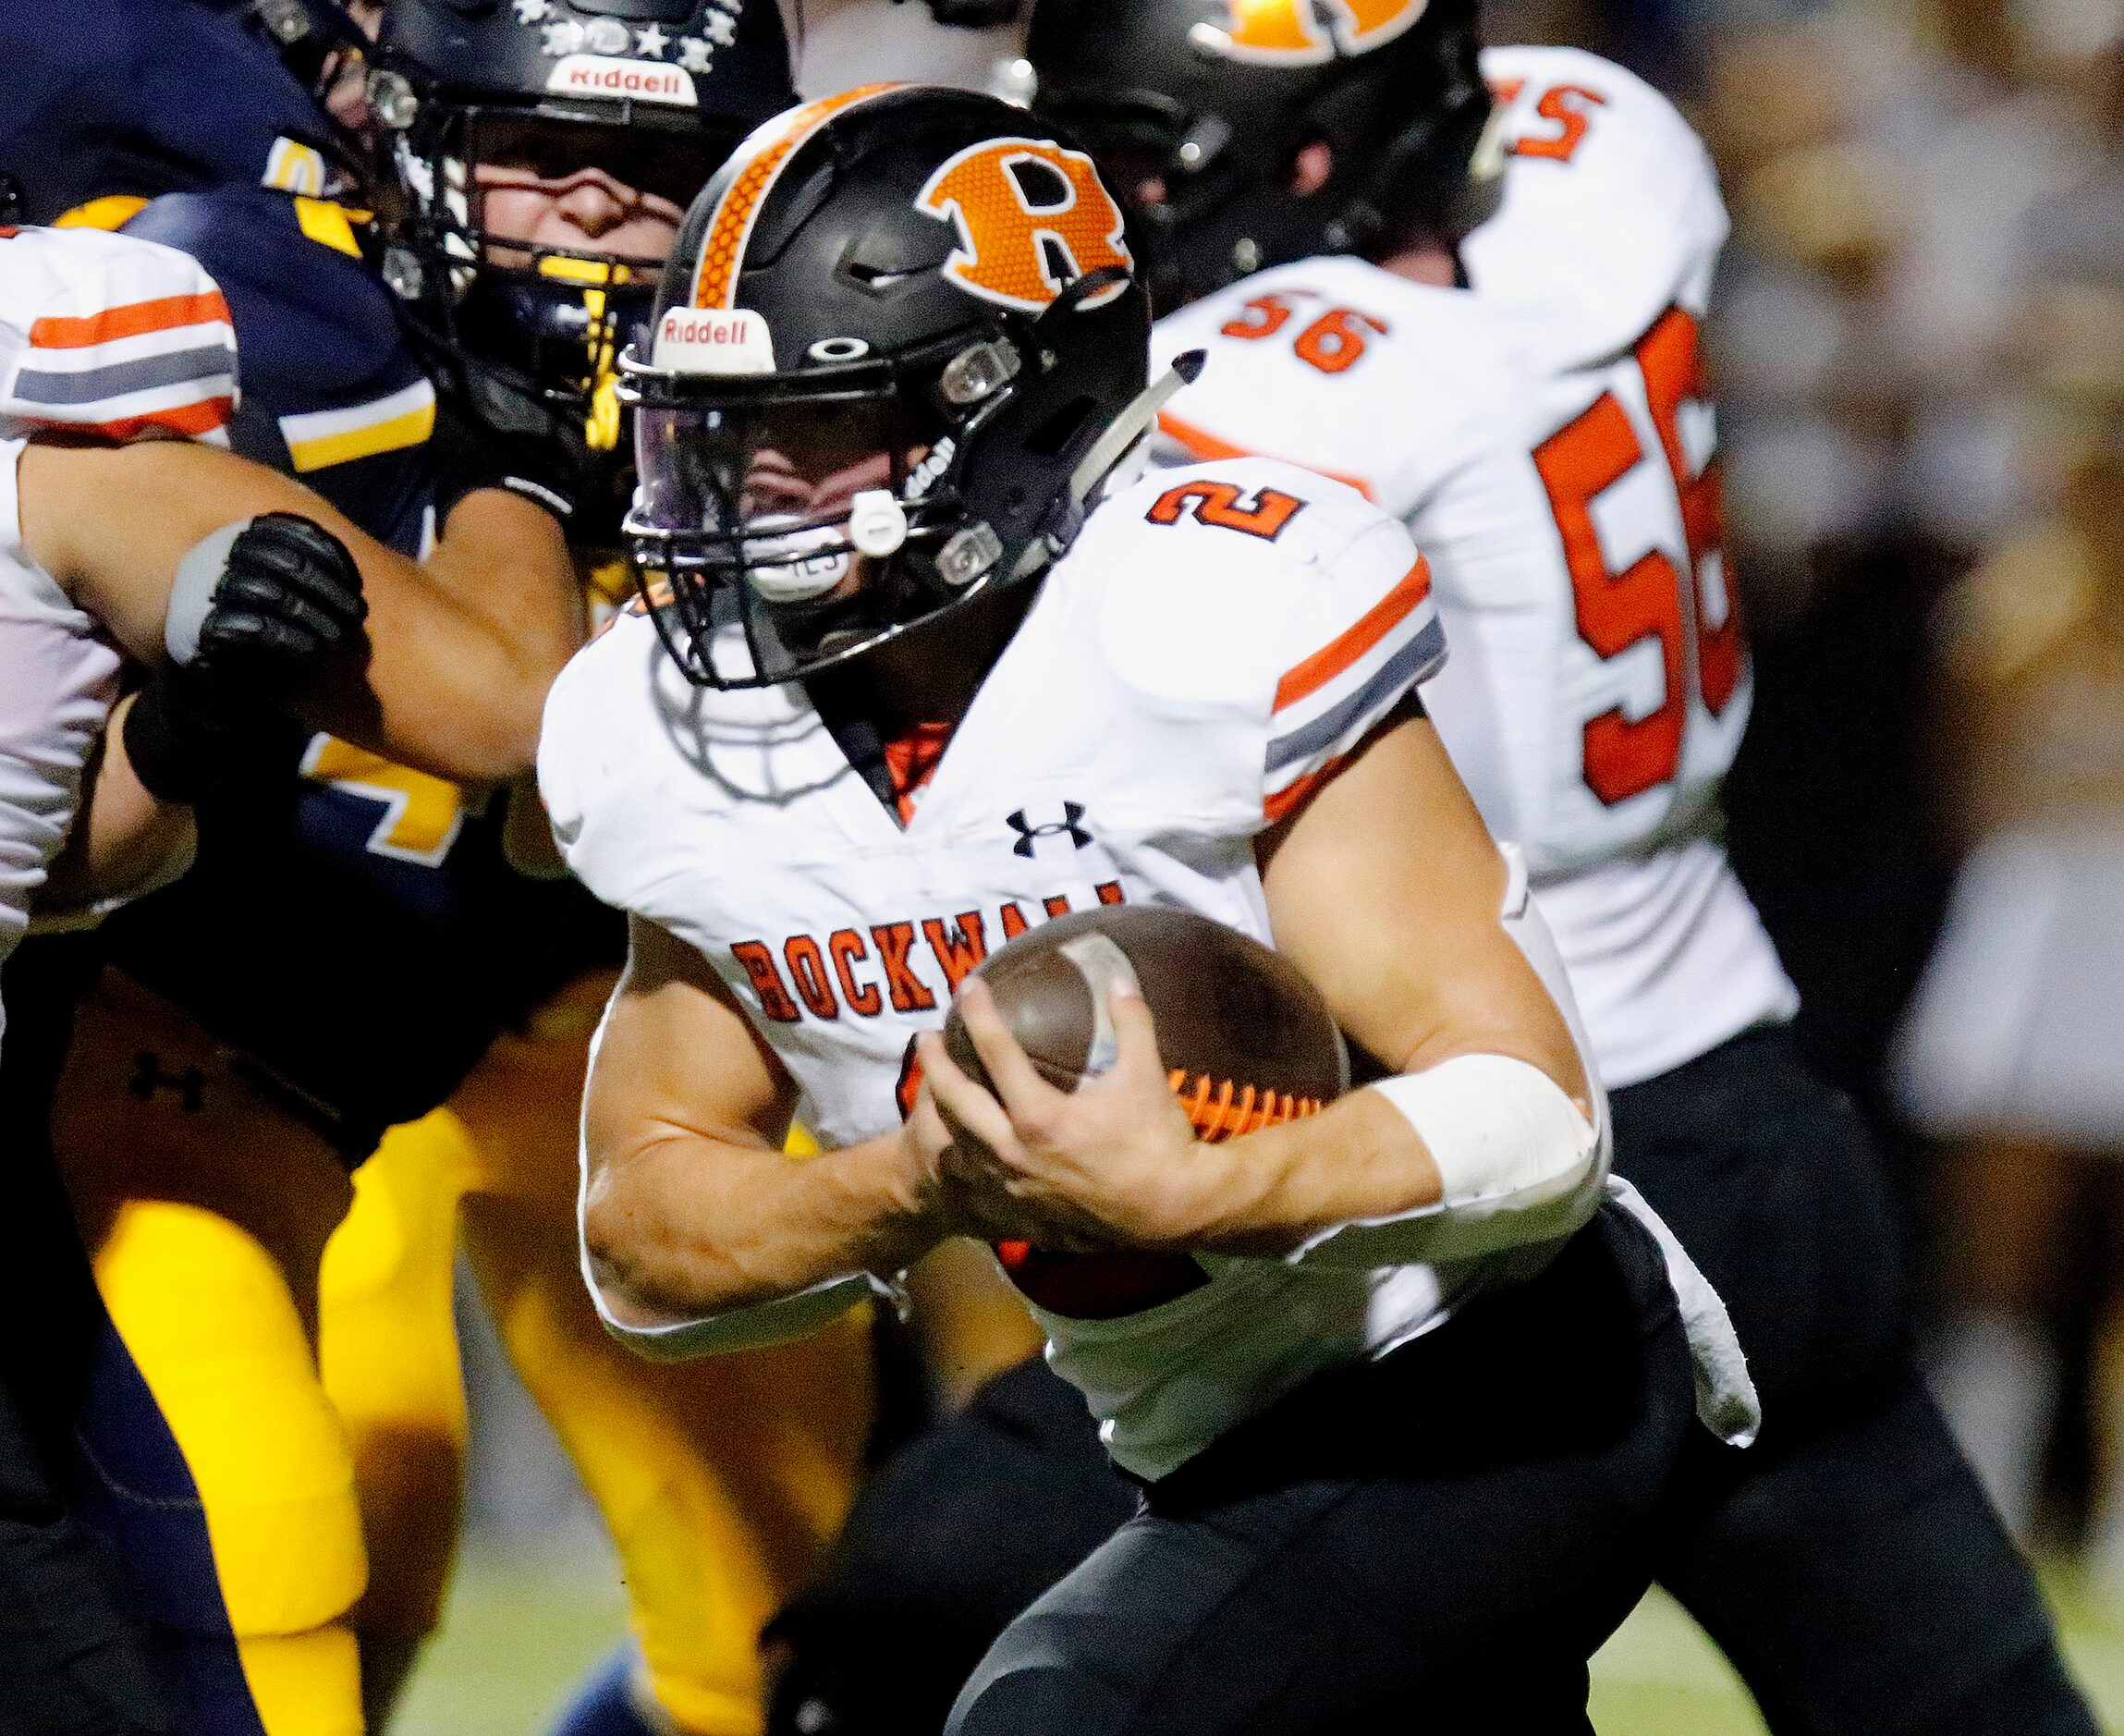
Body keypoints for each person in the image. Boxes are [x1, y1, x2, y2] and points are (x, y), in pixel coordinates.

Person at [541, 82, 1761, 1733]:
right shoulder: (664, 728)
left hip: (1495, 1361)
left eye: (814, 424)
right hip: (1192, 1423)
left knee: (1071, 1710)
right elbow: (643, 1238)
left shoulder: (1208, 606)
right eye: (714, 425)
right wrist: (915, 1179)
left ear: (1000, 412)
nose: (746, 487)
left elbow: (1533, 1118)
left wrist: (1206, 1181)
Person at [1014, 4, 2090, 1731]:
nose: (1101, 199)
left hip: (1515, 1151)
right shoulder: (1603, 150)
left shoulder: (1258, 390)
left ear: (1304, 157)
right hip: (1749, 1080)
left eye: (1137, 157)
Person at [3, 5, 874, 1731]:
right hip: (215, 1063)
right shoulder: (229, 295)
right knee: (304, 1560)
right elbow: (506, 712)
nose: (589, 209)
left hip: (617, 1012)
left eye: (645, 164)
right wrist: (517, 470)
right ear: (406, 140)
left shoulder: (835, 361)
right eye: (534, 153)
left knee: (794, 1619)